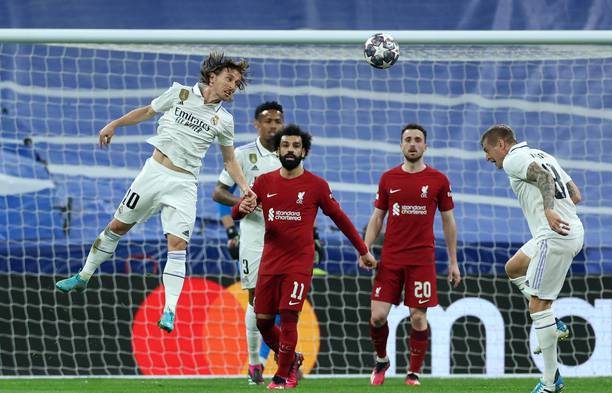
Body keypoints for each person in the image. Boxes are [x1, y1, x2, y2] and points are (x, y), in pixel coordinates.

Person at [55, 52, 256, 334]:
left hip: (183, 185)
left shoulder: (224, 121)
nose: (233, 85)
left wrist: (246, 188)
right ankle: (83, 275)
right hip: (152, 174)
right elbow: (148, 111)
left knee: (178, 246)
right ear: (213, 76)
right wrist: (115, 124)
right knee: (115, 227)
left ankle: (170, 310)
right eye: (229, 78)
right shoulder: (180, 93)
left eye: (237, 81)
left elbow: (229, 159)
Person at [232, 124, 378, 389]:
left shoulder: (316, 185)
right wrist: (240, 208)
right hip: (269, 262)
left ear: (304, 152)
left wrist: (363, 250)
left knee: (288, 316)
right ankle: (292, 359)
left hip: (298, 264)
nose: (290, 150)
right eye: (285, 145)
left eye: (296, 146)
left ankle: (281, 374)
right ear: (277, 151)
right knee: (263, 322)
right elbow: (237, 212)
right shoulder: (264, 182)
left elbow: (341, 219)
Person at [480, 124, 583, 393]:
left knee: (537, 307)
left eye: (487, 150)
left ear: (501, 144)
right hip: (564, 230)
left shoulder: (514, 158)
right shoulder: (543, 154)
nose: (487, 157)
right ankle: (554, 322)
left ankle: (551, 382)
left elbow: (544, 180)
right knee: (513, 268)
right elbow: (575, 194)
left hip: (553, 235)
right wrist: (559, 210)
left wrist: (548, 211)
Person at [361, 124, 461, 386]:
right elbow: (377, 217)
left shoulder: (438, 180)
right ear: (401, 145)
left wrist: (453, 261)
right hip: (391, 259)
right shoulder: (388, 178)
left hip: (422, 260)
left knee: (418, 316)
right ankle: (381, 359)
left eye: (418, 140)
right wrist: (366, 248)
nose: (413, 144)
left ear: (425, 146)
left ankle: (413, 373)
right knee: (378, 316)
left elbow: (448, 221)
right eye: (408, 140)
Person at [212, 101, 285, 384]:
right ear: (257, 124)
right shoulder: (242, 155)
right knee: (256, 300)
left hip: (286, 239)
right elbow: (218, 192)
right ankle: (255, 361)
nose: (274, 125)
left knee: (284, 304)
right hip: (254, 236)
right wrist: (243, 202)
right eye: (268, 121)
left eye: (278, 121)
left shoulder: (290, 155)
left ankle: (282, 355)